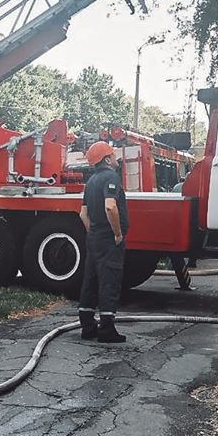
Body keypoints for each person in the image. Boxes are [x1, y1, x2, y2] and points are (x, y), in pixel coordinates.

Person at [77, 141, 128, 343]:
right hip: (108, 239)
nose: (116, 158)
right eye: (113, 155)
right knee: (109, 280)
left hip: (95, 238)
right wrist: (117, 233)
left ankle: (87, 326)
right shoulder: (111, 177)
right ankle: (107, 329)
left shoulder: (91, 182)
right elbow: (110, 207)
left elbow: (83, 214)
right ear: (107, 159)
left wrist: (94, 233)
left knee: (90, 279)